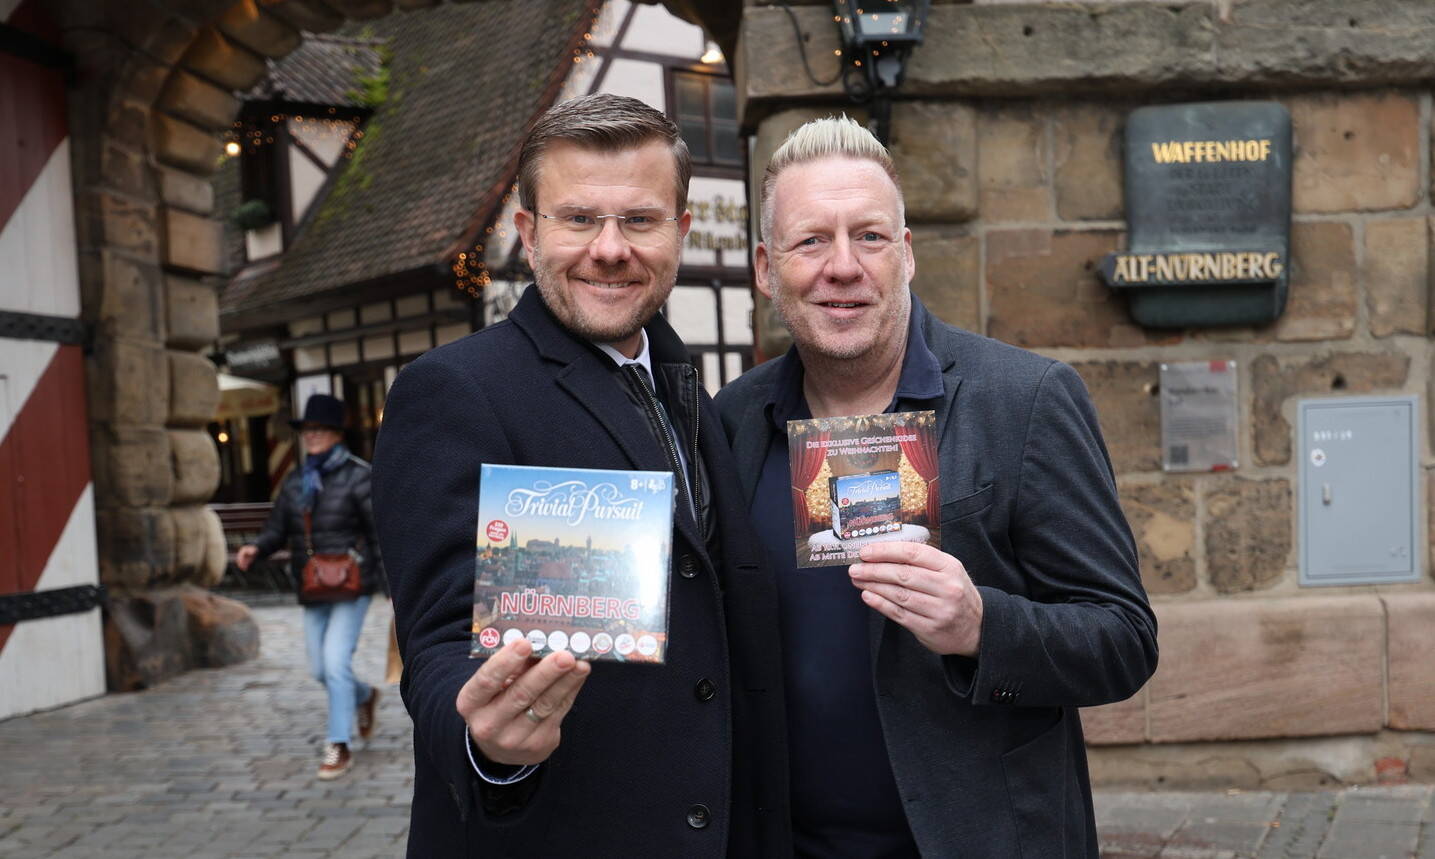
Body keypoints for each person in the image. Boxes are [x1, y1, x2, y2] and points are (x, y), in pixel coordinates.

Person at [714, 116, 1159, 857]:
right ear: (766, 267)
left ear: (907, 253)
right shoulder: (735, 419)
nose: (843, 266)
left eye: (870, 236)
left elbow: (1123, 640)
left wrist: (981, 625)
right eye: (811, 240)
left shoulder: (1023, 399)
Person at [370, 94, 788, 857]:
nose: (609, 248)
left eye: (639, 220)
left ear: (679, 231)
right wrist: (486, 743)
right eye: (578, 218)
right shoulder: (455, 390)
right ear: (529, 233)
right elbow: (436, 641)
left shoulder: (685, 385)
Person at [236, 393, 384, 781]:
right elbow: (277, 529)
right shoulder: (296, 481)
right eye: (307, 430)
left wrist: (391, 588)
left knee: (335, 663)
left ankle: (339, 744)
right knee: (319, 669)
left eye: (320, 429)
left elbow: (379, 534)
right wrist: (257, 548)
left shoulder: (359, 475)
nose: (312, 436)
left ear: (337, 433)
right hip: (313, 584)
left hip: (352, 585)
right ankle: (364, 695)